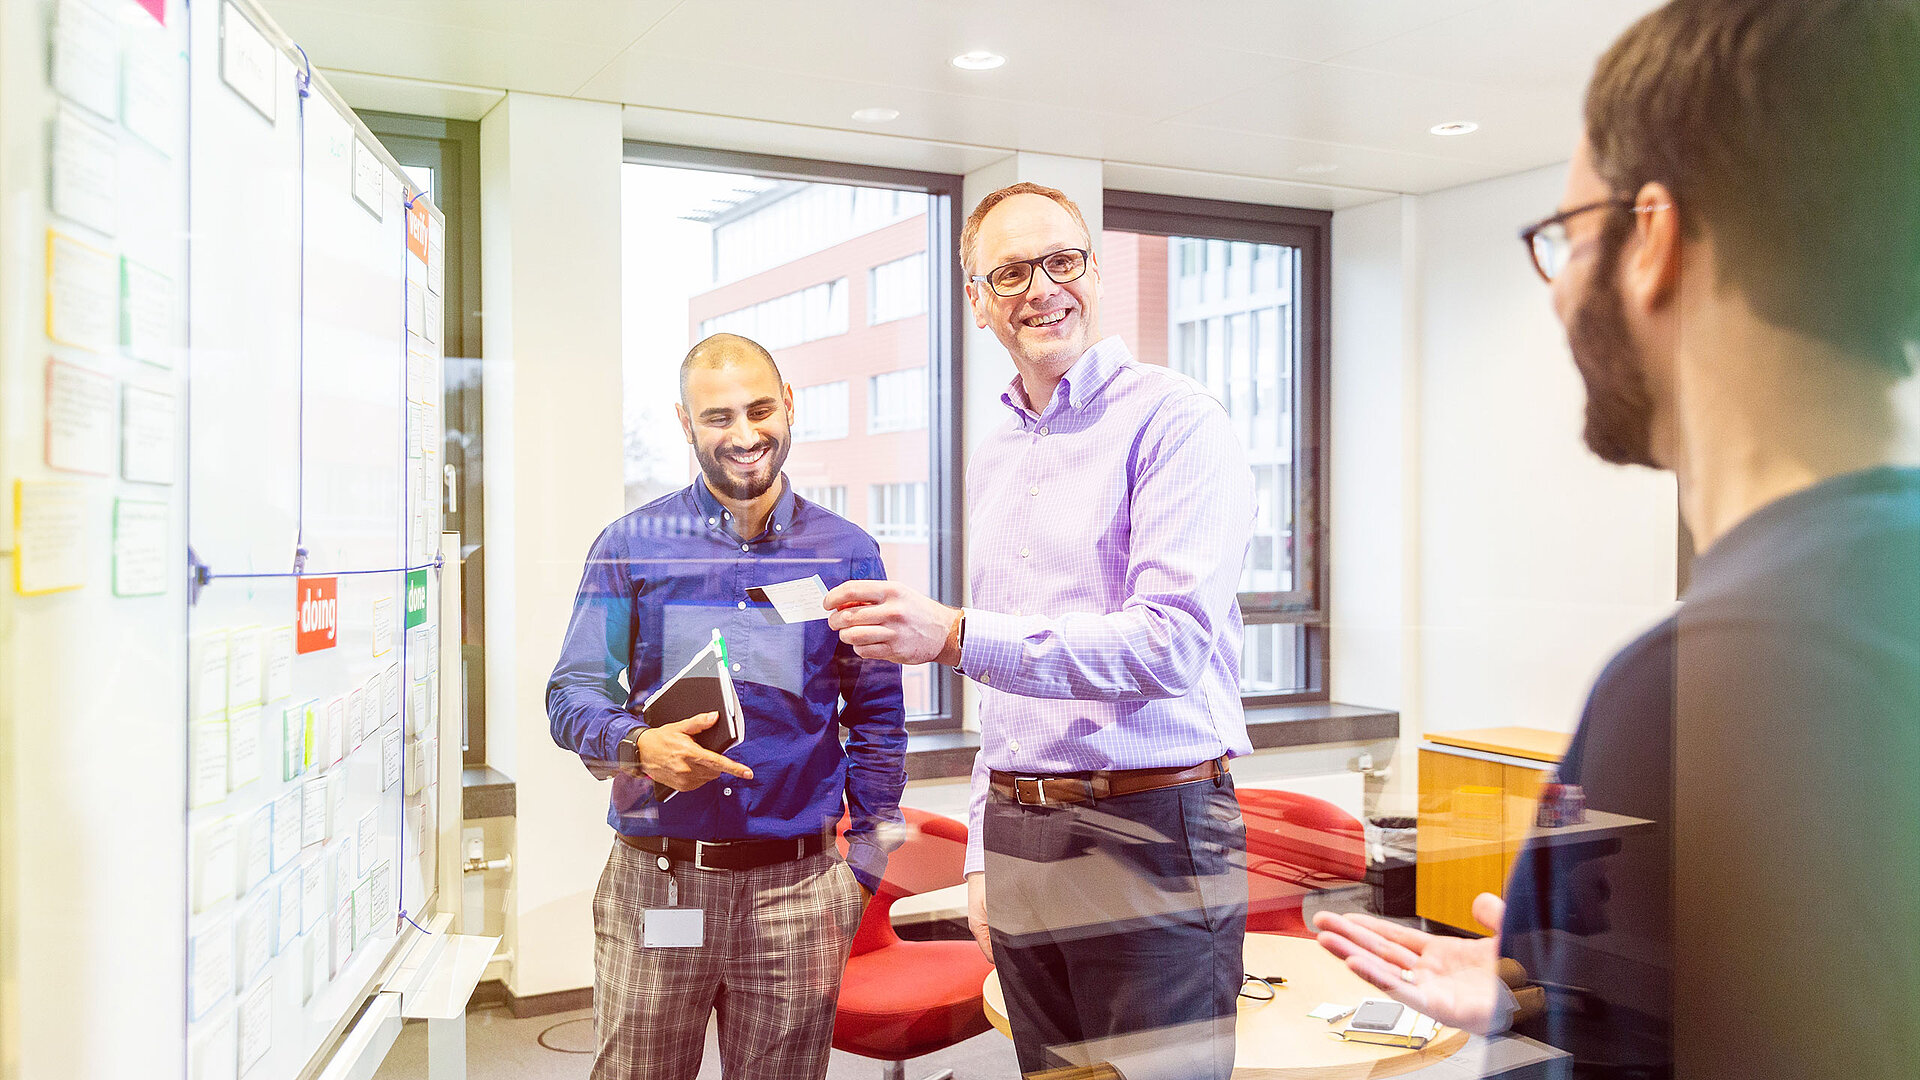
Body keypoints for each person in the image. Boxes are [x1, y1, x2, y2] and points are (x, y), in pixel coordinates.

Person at [1313, 2, 1920, 1077]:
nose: (1556, 303)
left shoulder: (1711, 685)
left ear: (1653, 238)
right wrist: (1557, 998)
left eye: (1567, 236)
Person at [825, 182, 1255, 1079]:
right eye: (1011, 272)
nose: (1041, 289)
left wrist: (950, 635)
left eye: (1062, 262)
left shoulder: (1176, 422)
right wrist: (984, 852)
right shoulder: (996, 455)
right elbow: (1008, 698)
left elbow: (1170, 645)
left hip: (1153, 822)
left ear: (1095, 275)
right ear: (976, 302)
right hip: (1022, 831)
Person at [548, 333, 907, 1080]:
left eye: (760, 410)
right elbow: (571, 693)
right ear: (686, 425)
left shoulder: (846, 554)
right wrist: (637, 744)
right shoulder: (632, 545)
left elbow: (876, 720)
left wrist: (864, 866)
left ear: (790, 409)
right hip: (662, 883)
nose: (744, 436)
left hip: (798, 896)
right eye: (718, 418)